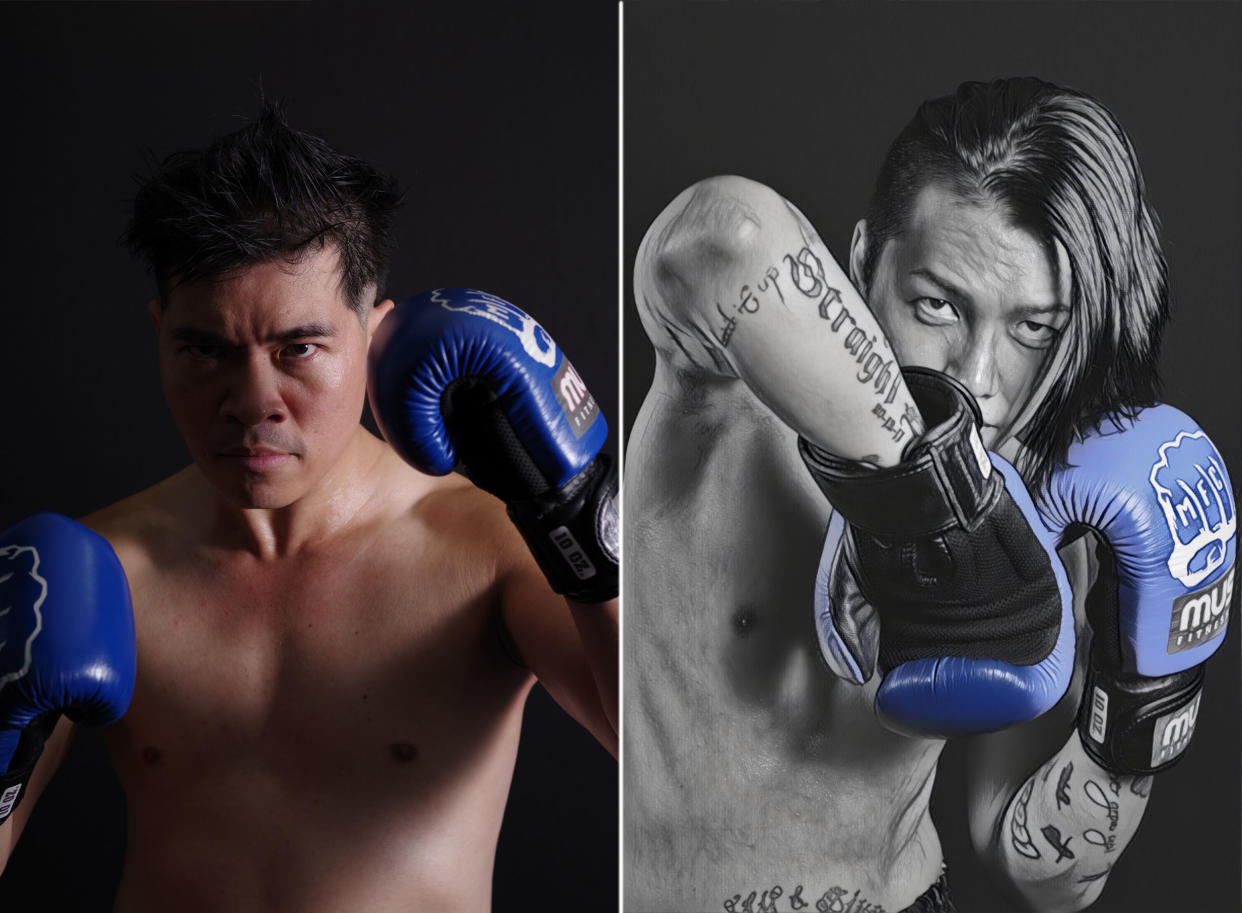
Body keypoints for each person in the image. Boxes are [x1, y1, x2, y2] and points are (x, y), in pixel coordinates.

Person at [625, 76, 1233, 912]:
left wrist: (1135, 717)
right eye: (938, 304)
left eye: (1034, 330)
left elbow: (1030, 866)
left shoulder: (1042, 515)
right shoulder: (727, 389)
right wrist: (919, 486)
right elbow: (724, 239)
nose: (978, 380)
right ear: (863, 261)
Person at [0, 105, 618, 913]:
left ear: (376, 333)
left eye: (298, 347)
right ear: (160, 336)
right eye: (206, 349)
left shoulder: (483, 545)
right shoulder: (99, 571)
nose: (254, 401)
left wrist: (580, 515)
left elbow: (679, 762)